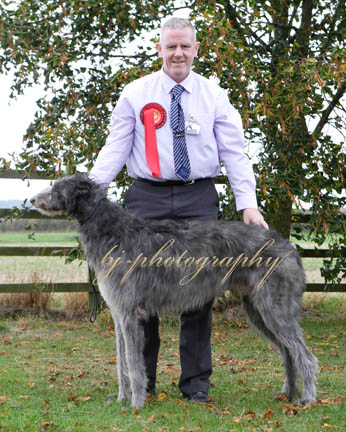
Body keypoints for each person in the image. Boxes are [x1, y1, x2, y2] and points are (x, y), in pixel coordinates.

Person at [90, 17, 268, 403]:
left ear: (196, 49)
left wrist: (248, 205)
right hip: (145, 200)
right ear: (159, 49)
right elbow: (115, 149)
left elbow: (235, 154)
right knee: (139, 296)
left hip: (198, 198)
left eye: (185, 46)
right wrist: (90, 192)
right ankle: (144, 383)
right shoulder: (136, 94)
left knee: (199, 293)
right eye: (171, 46)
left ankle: (196, 384)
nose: (178, 53)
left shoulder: (214, 96)